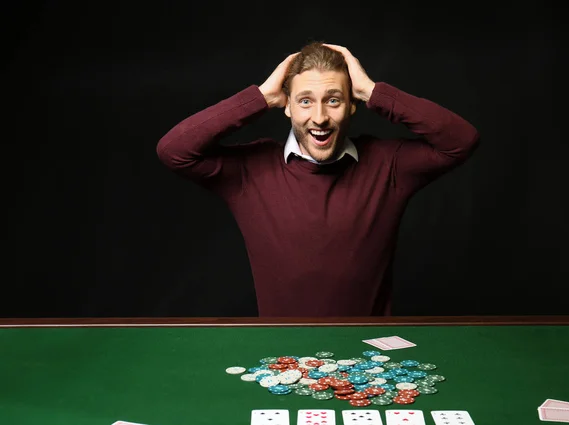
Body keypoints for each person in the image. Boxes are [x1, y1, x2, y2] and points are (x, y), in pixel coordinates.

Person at [156, 42, 480, 317]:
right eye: (305, 101)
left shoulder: (387, 165)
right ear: (287, 108)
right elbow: (174, 150)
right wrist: (259, 98)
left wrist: (372, 91)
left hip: (369, 360)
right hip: (281, 361)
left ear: (352, 105)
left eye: (333, 100)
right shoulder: (249, 171)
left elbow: (461, 140)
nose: (320, 118)